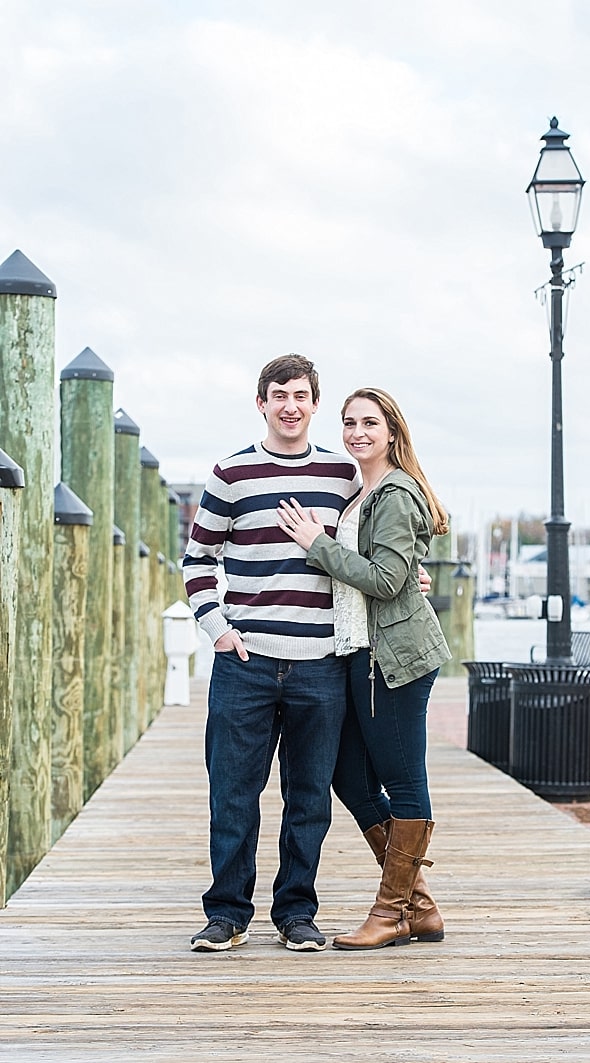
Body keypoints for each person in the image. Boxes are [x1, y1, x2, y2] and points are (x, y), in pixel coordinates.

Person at [184, 354, 358, 953]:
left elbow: (365, 552)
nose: (290, 405)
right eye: (279, 394)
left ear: (315, 404)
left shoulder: (344, 476)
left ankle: (296, 913)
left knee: (308, 797)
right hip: (246, 664)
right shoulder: (230, 474)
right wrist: (218, 630)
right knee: (232, 793)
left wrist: (406, 575)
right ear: (261, 402)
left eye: (301, 396)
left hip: (321, 666)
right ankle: (227, 913)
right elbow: (198, 562)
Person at [277, 386, 451, 950]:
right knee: (349, 774)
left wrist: (317, 544)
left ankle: (390, 912)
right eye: (349, 422)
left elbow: (386, 580)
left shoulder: (396, 492)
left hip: (392, 659)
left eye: (369, 423)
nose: (357, 432)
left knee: (403, 782)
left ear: (392, 432)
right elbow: (398, 573)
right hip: (358, 652)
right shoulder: (362, 492)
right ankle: (419, 905)